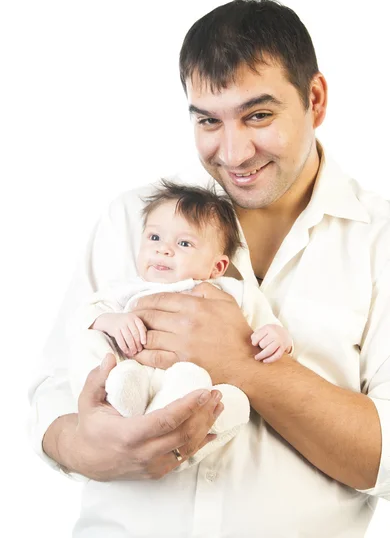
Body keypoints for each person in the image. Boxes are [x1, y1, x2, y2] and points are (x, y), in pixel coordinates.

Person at [29, 0, 390, 537]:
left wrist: (245, 367)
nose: (234, 152)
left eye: (259, 115)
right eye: (208, 121)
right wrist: (88, 447)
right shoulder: (134, 219)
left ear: (314, 99)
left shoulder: (377, 239)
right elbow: (51, 397)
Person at [68, 180, 292, 471]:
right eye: (154, 238)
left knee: (220, 395)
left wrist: (276, 335)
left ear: (217, 267)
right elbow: (82, 317)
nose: (164, 250)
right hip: (133, 374)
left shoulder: (233, 293)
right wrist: (113, 320)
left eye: (184, 243)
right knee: (89, 340)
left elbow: (265, 324)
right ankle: (124, 400)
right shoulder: (129, 290)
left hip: (188, 385)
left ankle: (180, 424)